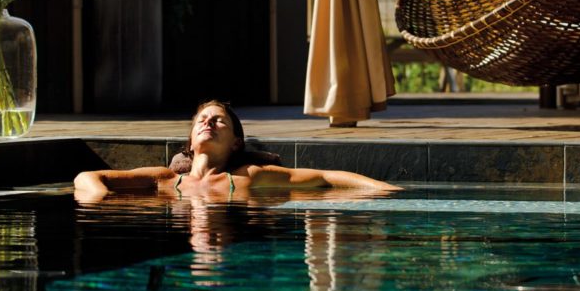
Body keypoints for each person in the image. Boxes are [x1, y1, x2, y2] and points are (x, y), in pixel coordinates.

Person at [74, 100, 401, 198]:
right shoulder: (165, 179)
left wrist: (389, 190)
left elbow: (326, 178)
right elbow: (87, 177)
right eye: (202, 120)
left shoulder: (248, 177)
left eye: (219, 121)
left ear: (236, 143)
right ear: (190, 141)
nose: (208, 124)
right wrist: (103, 199)